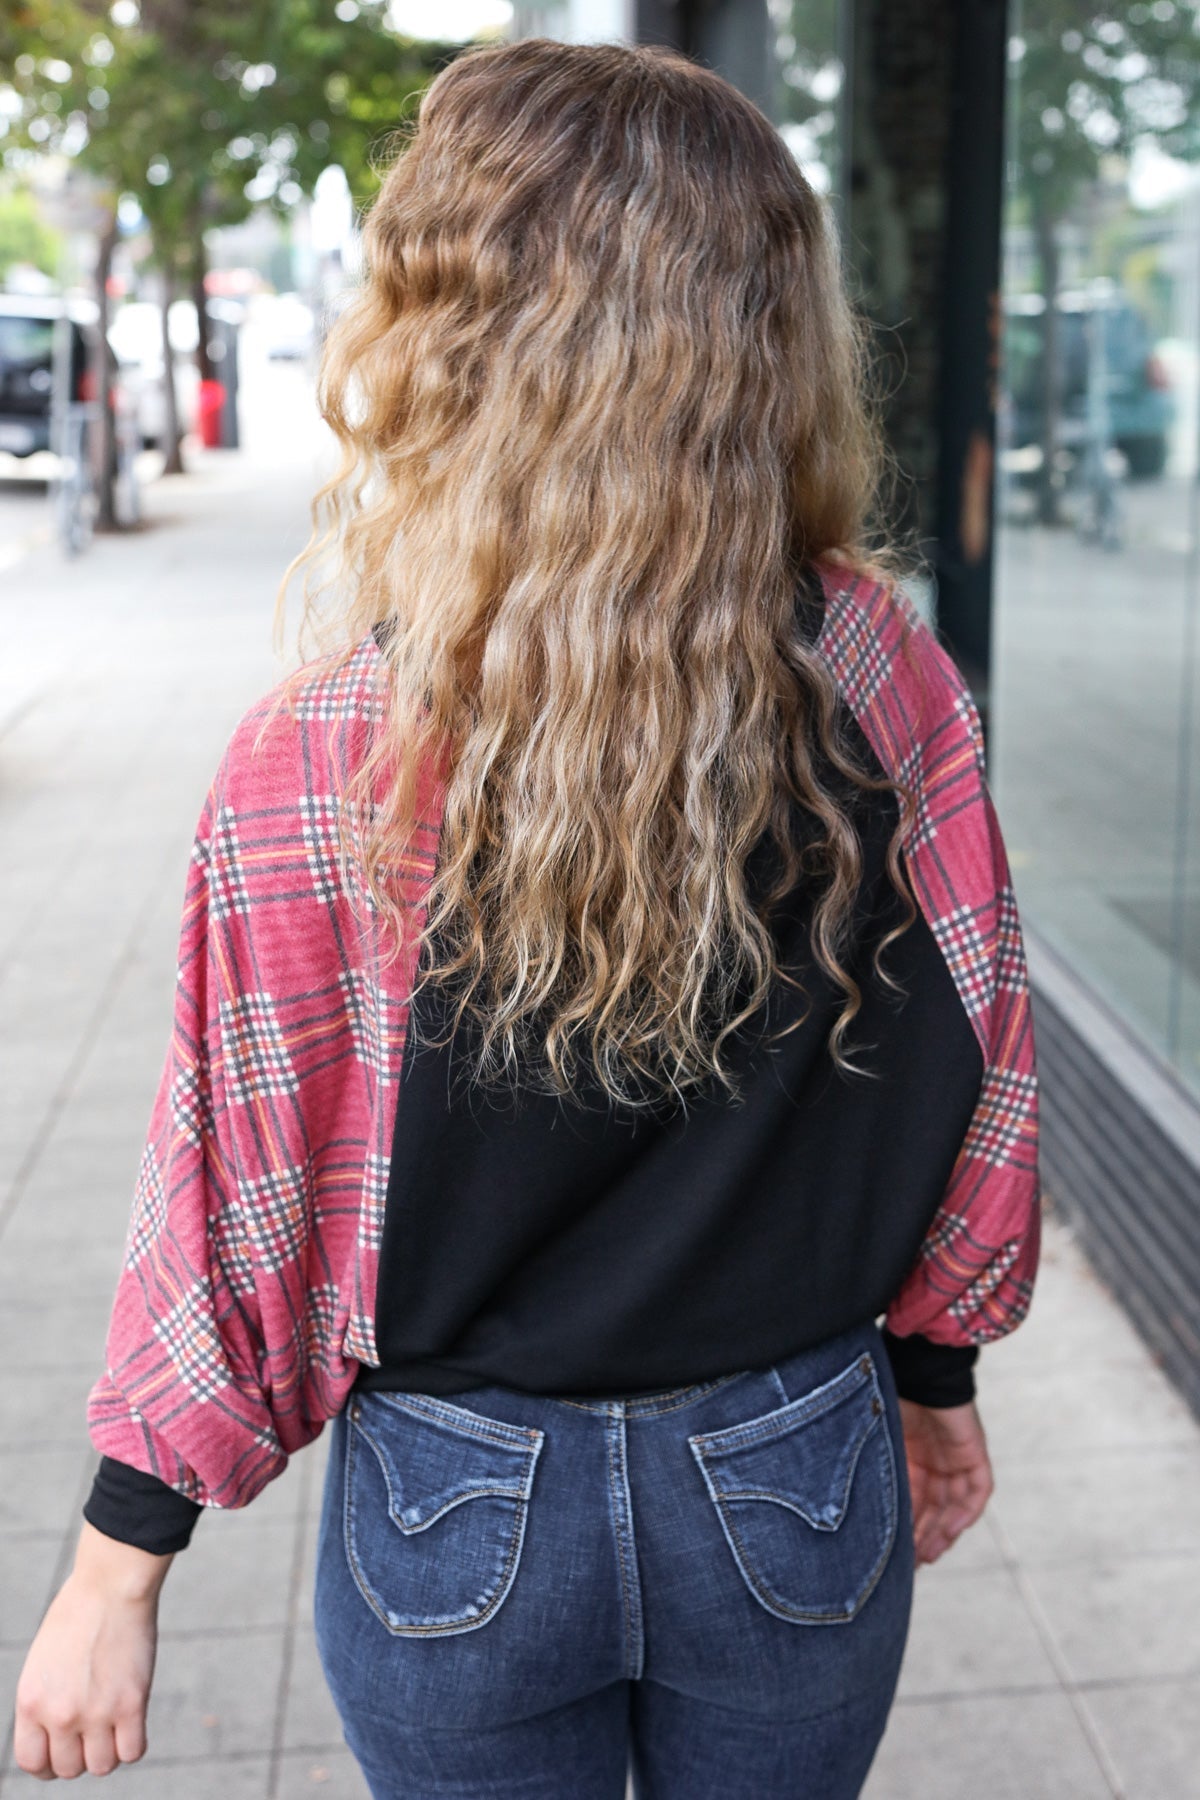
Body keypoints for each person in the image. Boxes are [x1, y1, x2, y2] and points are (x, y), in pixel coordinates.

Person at [12, 37, 1041, 1798]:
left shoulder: (326, 755)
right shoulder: (883, 677)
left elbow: (234, 1190)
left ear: (449, 339)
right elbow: (987, 1078)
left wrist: (120, 1565)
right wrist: (936, 1381)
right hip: (795, 1466)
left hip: (452, 1503)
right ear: (766, 340)